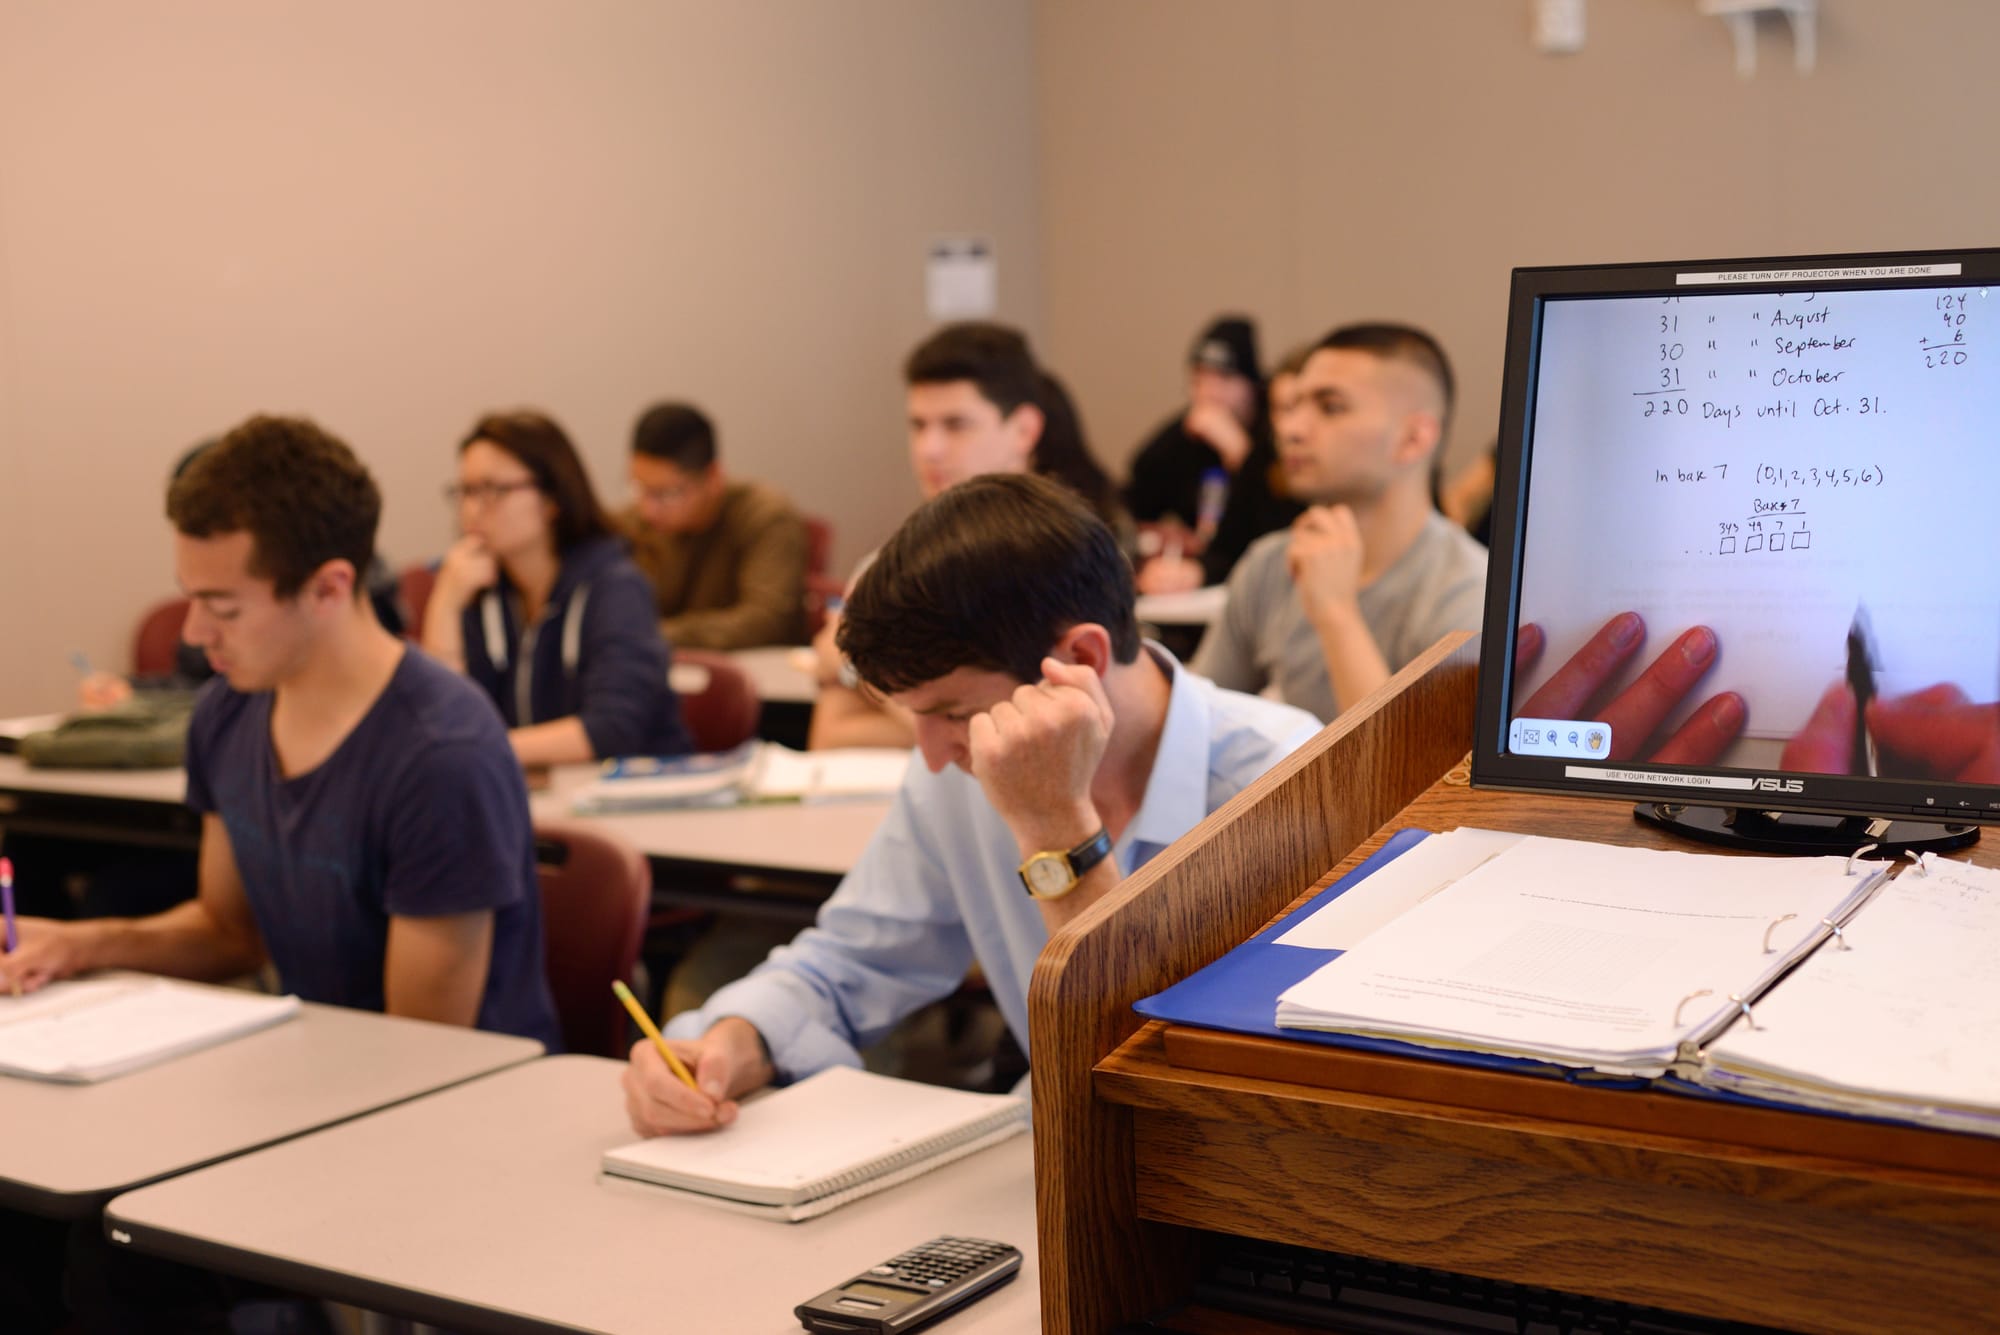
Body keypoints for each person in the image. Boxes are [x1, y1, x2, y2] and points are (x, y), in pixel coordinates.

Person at [621, 474, 1320, 1135]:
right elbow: (856, 961)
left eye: (953, 712)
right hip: (1044, 1156)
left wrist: (1056, 828)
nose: (930, 754)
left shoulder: (1291, 781)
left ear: (1081, 655)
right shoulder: (960, 767)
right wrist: (732, 1042)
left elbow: (1170, 1082)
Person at [0, 414, 560, 1042]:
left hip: (446, 1103)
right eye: (192, 598)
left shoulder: (442, 756)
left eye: (224, 607)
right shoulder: (229, 712)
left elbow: (424, 1052)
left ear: (328, 588)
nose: (194, 633)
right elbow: (230, 934)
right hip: (315, 1071)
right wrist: (75, 945)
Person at [806, 322, 1125, 751]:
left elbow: (1062, 731)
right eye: (918, 426)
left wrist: (852, 673)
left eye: (956, 424)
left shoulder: (1078, 562)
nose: (929, 449)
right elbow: (831, 737)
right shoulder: (884, 573)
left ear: (1025, 431)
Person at [1192, 322, 1488, 723]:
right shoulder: (1269, 563)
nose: (1291, 429)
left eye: (1330, 407)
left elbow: (1408, 778)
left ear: (1413, 439)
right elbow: (1201, 723)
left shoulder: (1470, 591)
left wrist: (1335, 613)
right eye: (1293, 406)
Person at [422, 410, 690, 765]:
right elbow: (441, 722)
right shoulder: (481, 591)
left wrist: (483, 751)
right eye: (467, 491)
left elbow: (612, 730)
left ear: (551, 499)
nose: (473, 510)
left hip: (639, 799)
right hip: (540, 798)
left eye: (493, 490)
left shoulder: (615, 586)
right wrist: (445, 605)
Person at [1126, 316, 1300, 593]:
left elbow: (1279, 534)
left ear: (1252, 386)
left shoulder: (1282, 437)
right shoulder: (1184, 436)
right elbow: (1133, 499)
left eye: (1225, 379)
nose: (1210, 393)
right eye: (1199, 380)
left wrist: (1241, 454)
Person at [619, 401, 810, 651]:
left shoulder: (765, 517)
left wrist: (653, 633)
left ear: (713, 477)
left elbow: (767, 619)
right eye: (640, 488)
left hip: (755, 678)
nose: (648, 509)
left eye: (665, 494)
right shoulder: (636, 522)